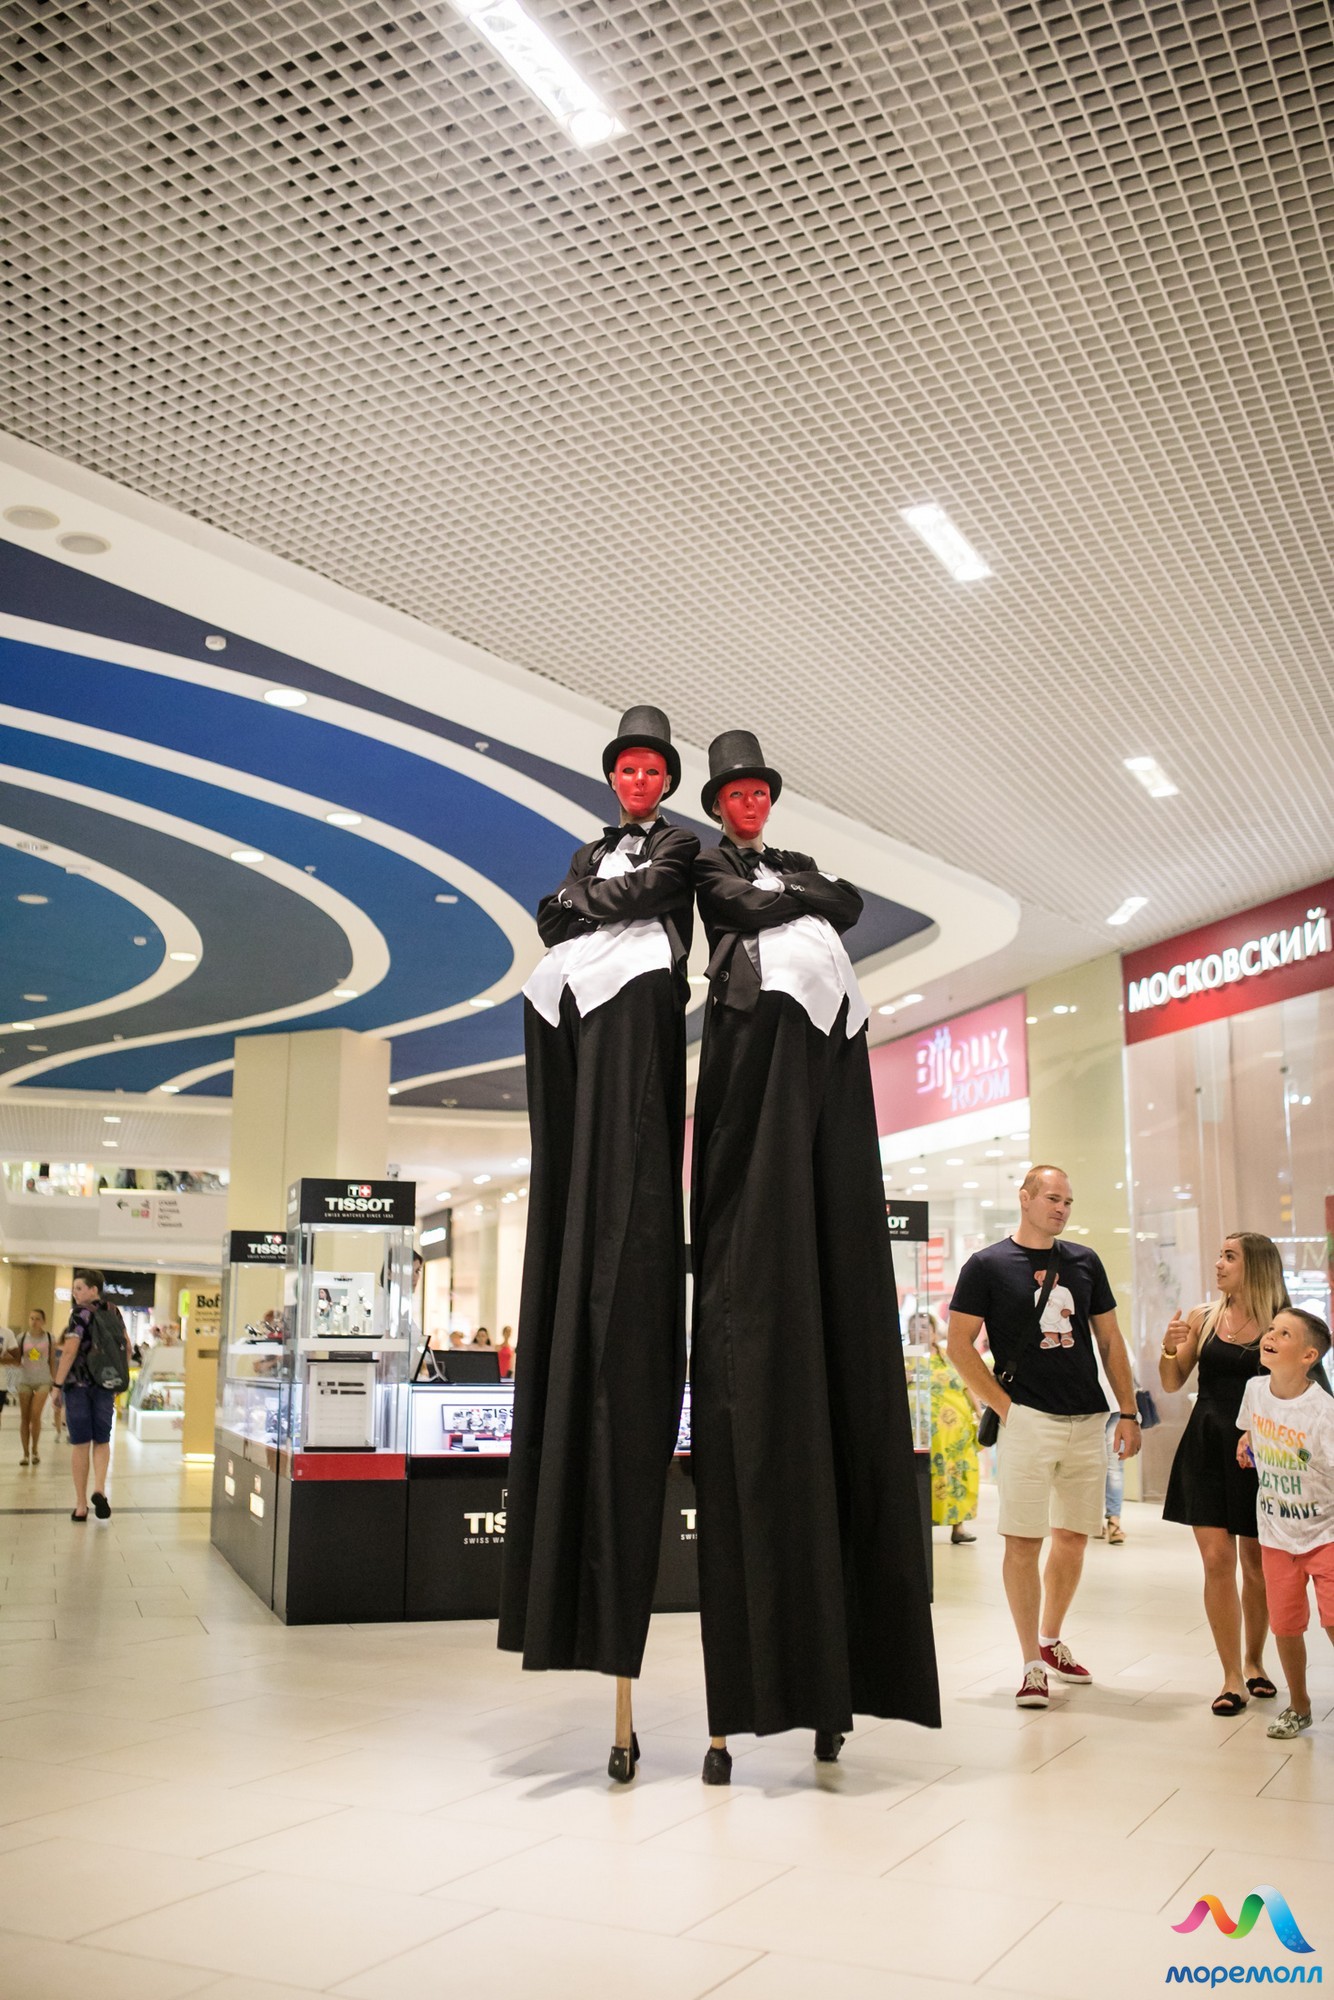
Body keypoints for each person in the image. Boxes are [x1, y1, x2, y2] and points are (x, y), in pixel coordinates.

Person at [689, 730, 939, 1782]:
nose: (748, 805)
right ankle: (757, 1697)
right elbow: (743, 912)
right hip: (757, 1045)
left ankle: (839, 1687)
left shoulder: (791, 866)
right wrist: (790, 901)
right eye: (735, 793)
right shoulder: (707, 865)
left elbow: (847, 902)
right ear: (719, 803)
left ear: (767, 799)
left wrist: (792, 894)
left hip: (830, 1049)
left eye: (758, 792)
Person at [499, 705, 696, 1784]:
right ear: (614, 776)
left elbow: (624, 901)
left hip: (638, 1020)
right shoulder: (593, 847)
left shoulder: (679, 848)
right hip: (577, 1014)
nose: (637, 780)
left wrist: (587, 902)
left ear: (664, 780)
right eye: (626, 767)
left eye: (650, 768)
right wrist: (584, 900)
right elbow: (552, 916)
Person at [946, 1165, 1141, 1709]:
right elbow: (959, 1345)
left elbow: (1109, 1339)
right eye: (1053, 1198)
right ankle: (1030, 1662)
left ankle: (1050, 1641)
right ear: (1025, 1198)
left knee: (1074, 1537)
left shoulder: (1084, 1261)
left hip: (1087, 1417)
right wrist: (1006, 1408)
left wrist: (1128, 1412)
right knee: (1023, 1541)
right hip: (1028, 1418)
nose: (1061, 1208)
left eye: (1068, 1201)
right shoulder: (986, 1264)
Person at [1160, 1232, 1287, 1714]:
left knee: (1255, 1564)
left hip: (1258, 1450)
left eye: (1229, 1257)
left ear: (1255, 1266)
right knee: (1216, 1561)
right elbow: (1172, 1382)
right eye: (1219, 1255)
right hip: (1207, 1443)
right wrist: (1169, 1349)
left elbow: (1297, 1386)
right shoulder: (1203, 1317)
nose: (1218, 1264)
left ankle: (1254, 1661)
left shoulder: (1282, 1323)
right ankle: (1231, 1675)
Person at [1236, 1307, 1334, 1741]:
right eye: (1271, 1329)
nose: (1271, 1336)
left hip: (1325, 1534)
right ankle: (1300, 1706)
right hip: (1276, 1534)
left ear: (1309, 1355)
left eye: (1285, 1334)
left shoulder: (1324, 1412)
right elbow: (1250, 1429)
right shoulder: (1255, 1389)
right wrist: (1247, 1441)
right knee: (1286, 1626)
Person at [51, 1269, 130, 1523]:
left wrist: (57, 1385)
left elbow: (70, 1351)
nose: (75, 1293)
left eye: (79, 1288)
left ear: (93, 1289)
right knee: (102, 1440)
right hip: (105, 1386)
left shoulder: (79, 1313)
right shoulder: (113, 1311)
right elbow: (127, 1348)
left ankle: (80, 1505)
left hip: (78, 1386)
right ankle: (99, 1489)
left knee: (80, 1444)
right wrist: (116, 1378)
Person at [922, 1314, 981, 1545]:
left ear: (934, 1332)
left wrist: (979, 1412)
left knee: (960, 1475)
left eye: (924, 1328)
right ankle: (923, 1526)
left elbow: (967, 1385)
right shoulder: (907, 1359)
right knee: (929, 1476)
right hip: (926, 1434)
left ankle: (959, 1527)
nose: (920, 1332)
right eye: (915, 1328)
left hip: (958, 1432)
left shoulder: (948, 1356)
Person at [13, 1309, 55, 1465]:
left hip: (43, 1380)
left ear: (43, 1321)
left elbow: (52, 1360)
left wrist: (55, 1381)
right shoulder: (22, 1337)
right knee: (25, 1417)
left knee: (35, 1415)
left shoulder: (49, 1338)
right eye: (31, 1318)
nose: (34, 1321)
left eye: (37, 1318)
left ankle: (35, 1449)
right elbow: (16, 1359)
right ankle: (25, 1454)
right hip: (25, 1380)